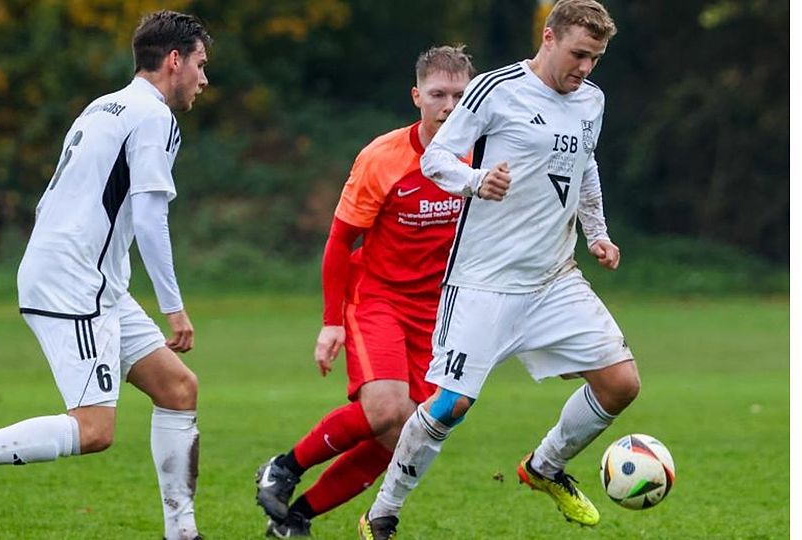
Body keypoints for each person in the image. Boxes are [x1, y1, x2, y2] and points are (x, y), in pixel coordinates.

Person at [0, 11, 211, 540]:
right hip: (76, 282)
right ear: (175, 61)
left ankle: (182, 534)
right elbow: (148, 215)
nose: (205, 80)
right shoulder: (154, 116)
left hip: (91, 280)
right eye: (201, 65)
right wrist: (173, 306)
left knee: (179, 389)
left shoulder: (103, 106)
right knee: (95, 430)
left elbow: (58, 197)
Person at [358, 1, 639, 538]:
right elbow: (435, 160)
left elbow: (586, 165)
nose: (584, 68)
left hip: (554, 277)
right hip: (483, 281)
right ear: (549, 37)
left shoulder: (591, 100)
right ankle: (382, 514)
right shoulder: (496, 89)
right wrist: (475, 181)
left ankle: (544, 466)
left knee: (621, 384)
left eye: (596, 58)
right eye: (578, 54)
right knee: (451, 404)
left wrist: (598, 233)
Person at [255, 46, 475, 537]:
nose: (449, 105)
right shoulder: (383, 158)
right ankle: (284, 467)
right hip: (377, 297)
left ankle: (295, 520)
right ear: (417, 96)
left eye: (460, 95)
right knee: (385, 408)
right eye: (438, 94)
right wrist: (332, 321)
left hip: (436, 314)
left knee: (402, 435)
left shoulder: (481, 160)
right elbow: (339, 240)